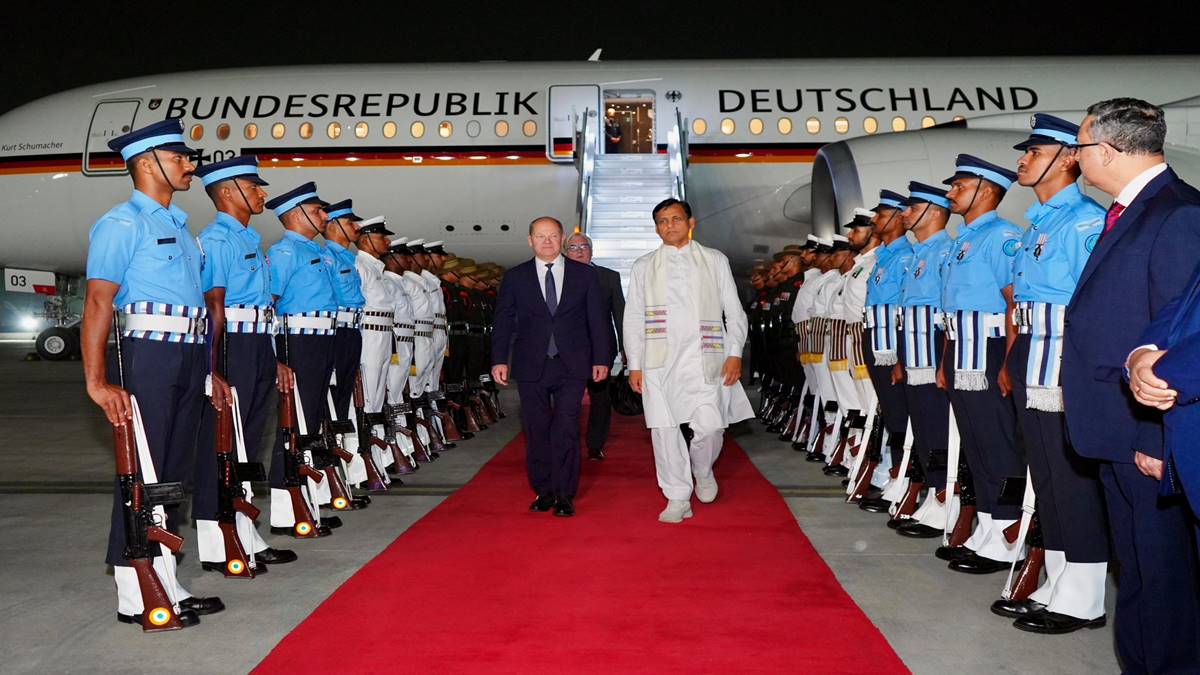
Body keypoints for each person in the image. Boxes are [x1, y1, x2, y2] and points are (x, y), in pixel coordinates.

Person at [1063, 98, 1200, 673]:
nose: (1074, 158)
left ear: (1108, 149)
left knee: (1163, 578)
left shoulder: (1177, 214)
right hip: (1115, 427)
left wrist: (1155, 436)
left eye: (1080, 147)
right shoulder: (1131, 209)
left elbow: (1178, 336)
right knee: (1138, 572)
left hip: (1145, 433)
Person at [82, 119, 223, 627]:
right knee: (140, 473)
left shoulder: (182, 227)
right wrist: (97, 381)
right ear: (146, 163)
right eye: (179, 157)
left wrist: (209, 369)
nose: (190, 165)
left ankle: (164, 580)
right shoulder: (122, 223)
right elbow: (98, 302)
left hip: (188, 356)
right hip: (150, 355)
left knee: (169, 476)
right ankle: (133, 590)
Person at [991, 114, 1110, 633]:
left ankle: (1084, 595)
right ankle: (1059, 581)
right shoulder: (1040, 222)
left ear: (1066, 159)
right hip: (1032, 353)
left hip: (1064, 357)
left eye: (1035, 153)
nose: (1024, 161)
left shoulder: (1084, 220)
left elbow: (1095, 303)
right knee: (1046, 473)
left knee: (1071, 476)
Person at [192, 155, 296, 574]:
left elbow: (264, 310)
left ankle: (243, 530)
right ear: (228, 192)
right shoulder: (217, 240)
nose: (261, 193)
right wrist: (212, 368)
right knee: (220, 446)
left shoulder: (249, 239)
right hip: (231, 346)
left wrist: (274, 358)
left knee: (248, 443)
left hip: (255, 344)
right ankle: (217, 543)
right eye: (254, 187)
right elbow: (213, 307)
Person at [625, 199, 754, 523]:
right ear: (656, 228)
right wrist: (634, 364)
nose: (669, 225)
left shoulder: (714, 260)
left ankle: (703, 469)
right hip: (658, 362)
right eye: (662, 221)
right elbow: (633, 317)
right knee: (664, 430)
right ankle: (677, 496)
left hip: (705, 359)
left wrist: (734, 353)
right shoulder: (644, 266)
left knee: (710, 427)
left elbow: (734, 312)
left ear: (691, 222)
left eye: (675, 219)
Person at [935, 155, 1025, 572]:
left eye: (960, 185)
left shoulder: (1002, 236)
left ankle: (1008, 534)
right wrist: (944, 361)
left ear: (987, 190)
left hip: (989, 351)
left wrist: (1008, 362)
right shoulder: (963, 239)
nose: (951, 192)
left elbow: (1013, 304)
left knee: (999, 444)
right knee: (976, 445)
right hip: (961, 350)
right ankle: (988, 526)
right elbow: (950, 310)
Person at [491, 217, 610, 517]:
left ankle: (565, 494)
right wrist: (499, 359)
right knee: (536, 428)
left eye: (553, 236)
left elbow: (597, 320)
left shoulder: (584, 276)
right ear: (530, 240)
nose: (547, 241)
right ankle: (544, 490)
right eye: (540, 236)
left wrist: (601, 359)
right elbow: (503, 321)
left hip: (572, 364)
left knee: (567, 427)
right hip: (532, 364)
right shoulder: (515, 277)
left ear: (562, 239)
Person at [263, 182, 340, 538]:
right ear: (296, 215)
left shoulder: (315, 251)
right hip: (297, 341)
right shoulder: (284, 252)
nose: (324, 216)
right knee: (293, 427)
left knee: (311, 425)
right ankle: (285, 512)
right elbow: (269, 304)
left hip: (321, 340)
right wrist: (274, 355)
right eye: (317, 210)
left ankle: (308, 504)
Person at [889, 182, 954, 530]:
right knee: (924, 428)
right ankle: (933, 492)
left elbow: (946, 312)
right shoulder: (919, 253)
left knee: (938, 427)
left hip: (932, 351)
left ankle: (945, 498)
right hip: (914, 355)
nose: (905, 214)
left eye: (913, 209)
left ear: (934, 212)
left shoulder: (944, 251)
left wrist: (944, 362)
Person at [858, 191, 914, 512]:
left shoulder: (905, 257)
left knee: (900, 415)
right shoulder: (884, 256)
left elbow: (904, 309)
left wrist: (901, 356)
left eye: (881, 215)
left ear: (897, 218)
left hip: (891, 347)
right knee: (892, 414)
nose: (875, 220)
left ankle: (903, 478)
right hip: (877, 342)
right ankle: (894, 475)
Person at [564, 232, 626, 460]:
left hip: (601, 349)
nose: (579, 251)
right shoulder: (556, 277)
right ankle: (566, 442)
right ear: (565, 252)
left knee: (600, 398)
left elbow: (620, 314)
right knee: (567, 399)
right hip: (567, 350)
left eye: (584, 246)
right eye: (573, 247)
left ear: (592, 250)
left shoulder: (608, 277)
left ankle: (595, 444)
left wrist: (626, 347)